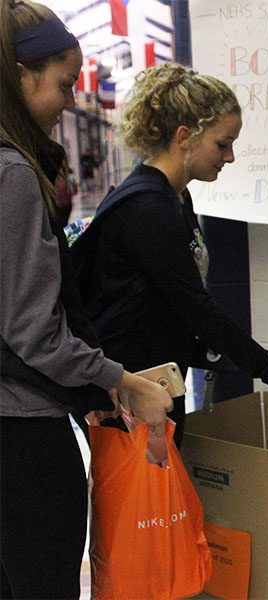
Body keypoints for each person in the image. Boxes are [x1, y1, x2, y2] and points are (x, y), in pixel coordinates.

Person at [0, 3, 173, 597]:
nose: (71, 101)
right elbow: (32, 331)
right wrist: (122, 380)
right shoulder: (13, 175)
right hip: (21, 437)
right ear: (19, 75)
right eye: (63, 83)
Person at [72, 63, 268, 448]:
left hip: (158, 378)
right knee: (145, 504)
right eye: (223, 144)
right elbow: (195, 305)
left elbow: (176, 304)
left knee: (162, 502)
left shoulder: (175, 197)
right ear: (184, 137)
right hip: (131, 390)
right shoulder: (147, 208)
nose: (231, 157)